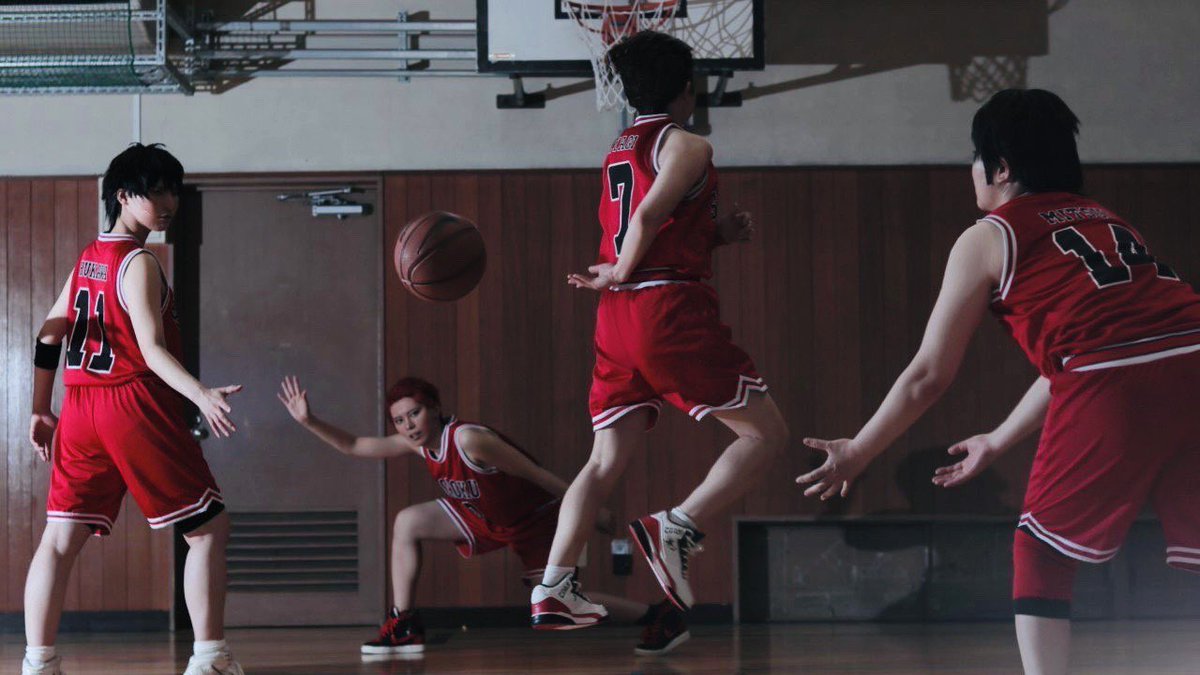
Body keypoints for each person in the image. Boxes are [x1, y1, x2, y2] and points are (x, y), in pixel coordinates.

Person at [796, 89, 1200, 675]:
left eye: (975, 156)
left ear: (1002, 166)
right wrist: (999, 439)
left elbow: (928, 376)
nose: (971, 169)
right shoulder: (1108, 219)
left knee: (1041, 551)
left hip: (1116, 383)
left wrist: (859, 449)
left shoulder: (990, 234)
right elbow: (1089, 356)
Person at [532, 30, 789, 627]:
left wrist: (712, 237)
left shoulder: (621, 146)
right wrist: (623, 269)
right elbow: (647, 216)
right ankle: (678, 525)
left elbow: (648, 222)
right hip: (664, 308)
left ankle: (553, 585)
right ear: (687, 89)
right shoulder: (689, 143)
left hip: (616, 317)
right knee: (766, 436)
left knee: (602, 461)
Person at [23, 144, 243, 675]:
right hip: (131, 403)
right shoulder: (139, 261)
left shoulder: (87, 258)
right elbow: (150, 349)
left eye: (173, 192)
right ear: (122, 195)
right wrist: (201, 393)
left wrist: (41, 408)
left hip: (79, 408)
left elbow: (49, 333)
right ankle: (210, 659)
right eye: (155, 192)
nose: (168, 203)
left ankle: (38, 662)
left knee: (59, 538)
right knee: (207, 529)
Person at [278, 375, 689, 656]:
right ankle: (403, 625)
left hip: (533, 521)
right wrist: (309, 421)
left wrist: (590, 510)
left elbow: (536, 473)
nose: (408, 425)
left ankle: (658, 615)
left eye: (414, 414)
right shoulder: (416, 444)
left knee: (554, 601)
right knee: (407, 521)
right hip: (482, 517)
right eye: (400, 420)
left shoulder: (470, 440)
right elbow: (354, 446)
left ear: (435, 408)